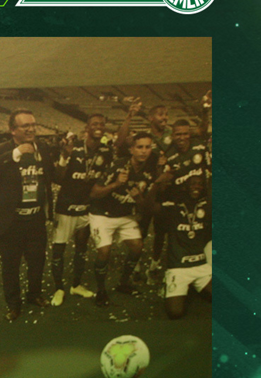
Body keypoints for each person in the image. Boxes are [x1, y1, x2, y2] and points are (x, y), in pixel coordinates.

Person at [0, 109, 54, 321]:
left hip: (36, 218)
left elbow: (50, 176)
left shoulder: (43, 148)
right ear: (13, 130)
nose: (31, 129)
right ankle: (13, 303)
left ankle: (34, 294)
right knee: (11, 265)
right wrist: (15, 154)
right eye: (25, 126)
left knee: (37, 261)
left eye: (33, 125)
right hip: (12, 221)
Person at [48, 114, 109, 305]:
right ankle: (59, 288)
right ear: (87, 128)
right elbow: (58, 178)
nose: (98, 127)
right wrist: (65, 156)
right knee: (59, 250)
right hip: (66, 208)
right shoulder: (73, 149)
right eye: (94, 124)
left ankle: (76, 285)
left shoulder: (105, 151)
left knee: (82, 248)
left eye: (102, 124)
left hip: (86, 208)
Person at [89, 133, 156, 305]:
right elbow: (94, 193)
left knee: (137, 246)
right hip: (102, 214)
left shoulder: (150, 170)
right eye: (139, 147)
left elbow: (146, 207)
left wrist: (139, 198)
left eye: (147, 147)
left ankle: (123, 283)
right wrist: (116, 184)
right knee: (104, 251)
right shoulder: (118, 165)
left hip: (125, 215)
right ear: (131, 149)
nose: (143, 151)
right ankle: (101, 290)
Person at [160, 174, 211, 319]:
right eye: (193, 183)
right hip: (179, 267)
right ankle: (169, 283)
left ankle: (195, 288)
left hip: (201, 265)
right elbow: (150, 208)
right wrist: (156, 186)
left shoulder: (206, 207)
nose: (197, 186)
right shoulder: (174, 207)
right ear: (185, 187)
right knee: (175, 313)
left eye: (200, 184)